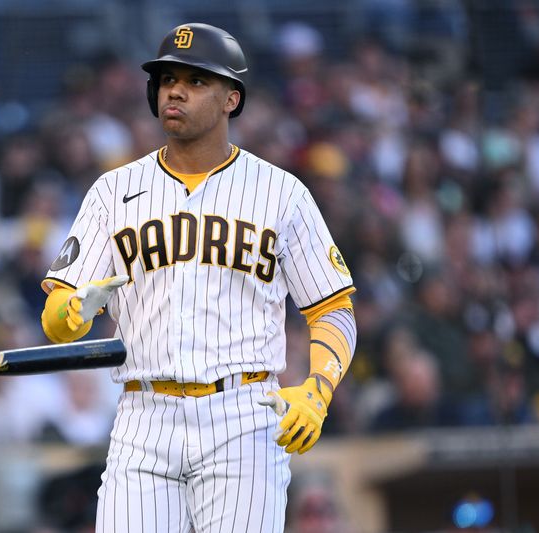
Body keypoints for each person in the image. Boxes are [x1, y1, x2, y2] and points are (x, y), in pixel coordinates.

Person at [40, 23, 357, 532]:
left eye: (196, 80)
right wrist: (67, 314)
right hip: (144, 414)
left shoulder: (282, 193)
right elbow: (59, 313)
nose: (176, 90)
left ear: (232, 98)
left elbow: (332, 309)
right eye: (167, 80)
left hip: (243, 415)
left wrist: (318, 388)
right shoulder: (112, 191)